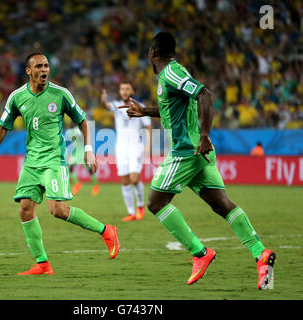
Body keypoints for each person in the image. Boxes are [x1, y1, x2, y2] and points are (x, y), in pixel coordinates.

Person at [120, 32, 275, 289]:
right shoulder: (174, 74)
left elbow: (206, 95)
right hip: (199, 153)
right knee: (222, 204)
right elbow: (175, 108)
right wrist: (144, 111)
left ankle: (200, 253)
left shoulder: (170, 73)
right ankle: (261, 254)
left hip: (187, 151)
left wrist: (203, 136)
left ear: (152, 53)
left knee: (156, 203)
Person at [0, 53, 120, 275]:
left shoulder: (61, 94)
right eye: (39, 66)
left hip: (54, 160)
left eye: (46, 66)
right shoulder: (17, 97)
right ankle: (42, 263)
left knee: (58, 210)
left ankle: (106, 231)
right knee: (25, 210)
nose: (44, 70)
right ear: (28, 71)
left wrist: (88, 150)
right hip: (31, 162)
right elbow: (2, 125)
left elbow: (82, 120)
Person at [100, 81, 152, 221]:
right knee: (125, 181)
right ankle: (131, 212)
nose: (124, 91)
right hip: (121, 148)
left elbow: (148, 127)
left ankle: (140, 205)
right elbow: (107, 106)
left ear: (132, 91)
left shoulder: (140, 107)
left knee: (134, 179)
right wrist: (104, 100)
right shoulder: (117, 106)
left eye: (127, 88)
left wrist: (148, 145)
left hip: (136, 147)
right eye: (122, 89)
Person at [65, 124, 100, 196]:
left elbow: (83, 137)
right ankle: (77, 184)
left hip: (83, 151)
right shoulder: (69, 132)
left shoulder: (77, 129)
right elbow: (74, 142)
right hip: (76, 152)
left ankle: (96, 185)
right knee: (70, 168)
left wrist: (81, 135)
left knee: (89, 169)